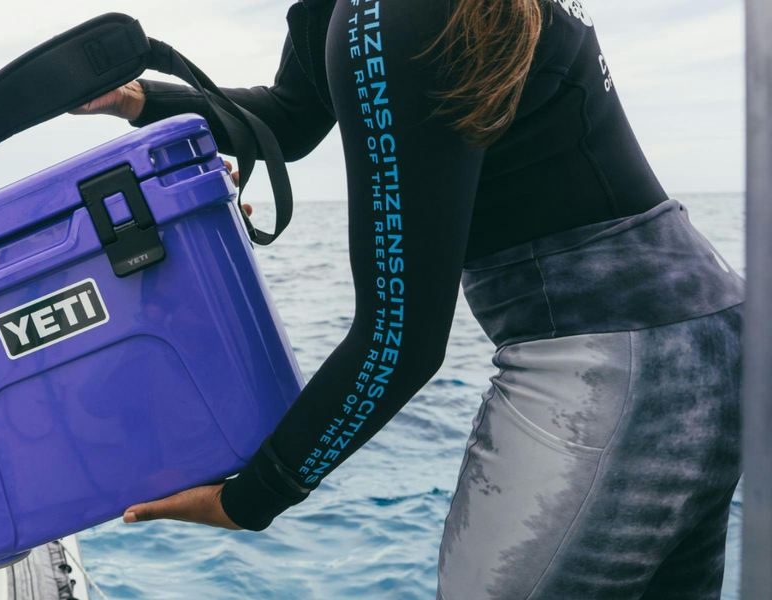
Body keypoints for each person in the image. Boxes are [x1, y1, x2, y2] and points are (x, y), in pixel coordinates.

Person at [72, 0, 744, 597]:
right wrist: (138, 99)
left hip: (615, 367)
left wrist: (254, 496)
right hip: (702, 332)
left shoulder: (390, 14)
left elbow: (399, 341)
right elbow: (293, 117)